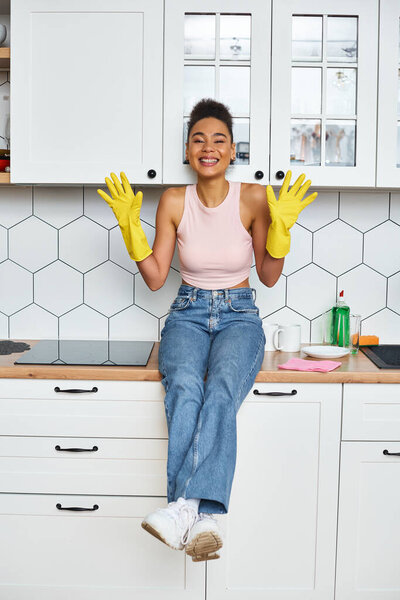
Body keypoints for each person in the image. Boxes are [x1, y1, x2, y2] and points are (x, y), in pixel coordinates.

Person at [97, 98, 317, 563]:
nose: (209, 146)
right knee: (182, 386)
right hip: (187, 312)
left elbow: (269, 275)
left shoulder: (254, 198)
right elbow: (157, 278)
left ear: (233, 150)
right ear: (187, 150)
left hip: (240, 315)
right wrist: (130, 230)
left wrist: (280, 234)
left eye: (219, 139)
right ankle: (204, 518)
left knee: (220, 389)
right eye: (199, 139)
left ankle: (184, 507)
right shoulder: (174, 200)